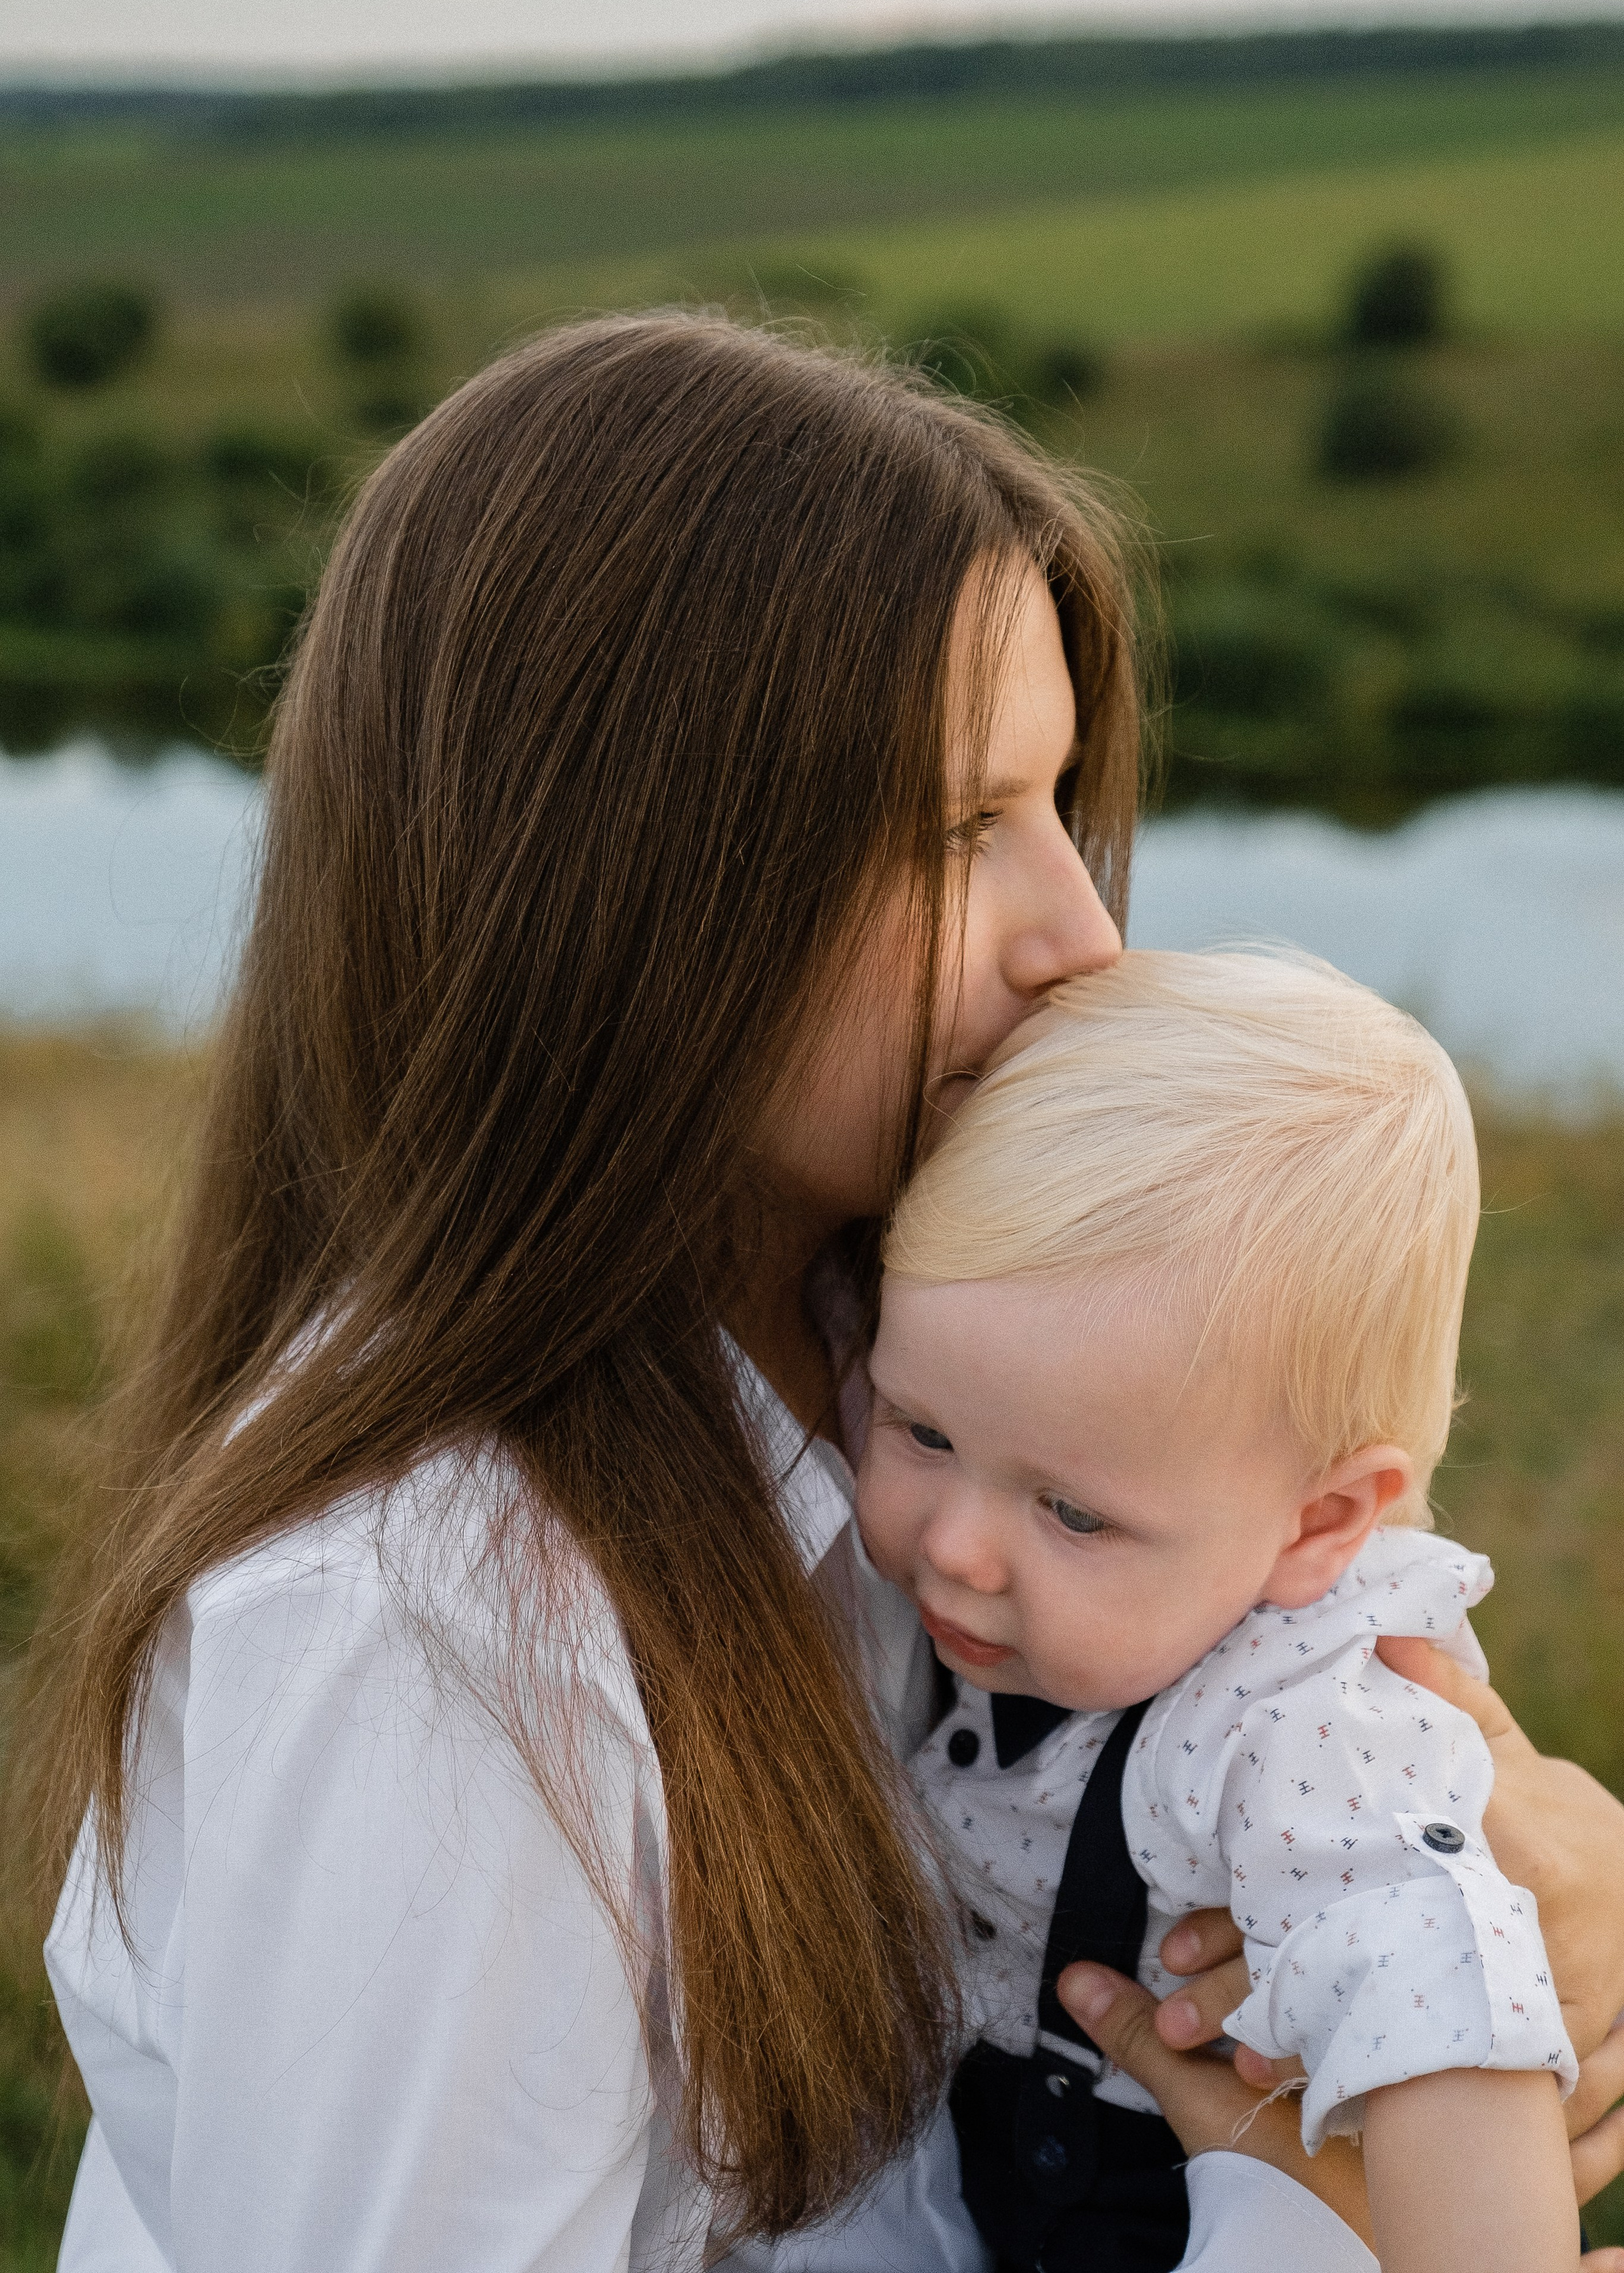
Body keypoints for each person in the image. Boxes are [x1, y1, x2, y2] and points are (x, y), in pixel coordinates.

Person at [18, 315, 1624, 2273]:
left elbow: (1324, 1681)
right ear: (612, 882)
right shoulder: (437, 1624)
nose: (1087, 936)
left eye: (1060, 801)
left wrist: (1529, 1849)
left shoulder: (923, 1356)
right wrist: (1303, 2224)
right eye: (962, 827)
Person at [858, 948, 1621, 2272]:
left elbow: (1446, 2024)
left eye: (1072, 1514)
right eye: (919, 1428)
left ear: (1320, 1523)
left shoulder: (1303, 1720)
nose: (957, 1547)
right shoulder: (1074, 1556)